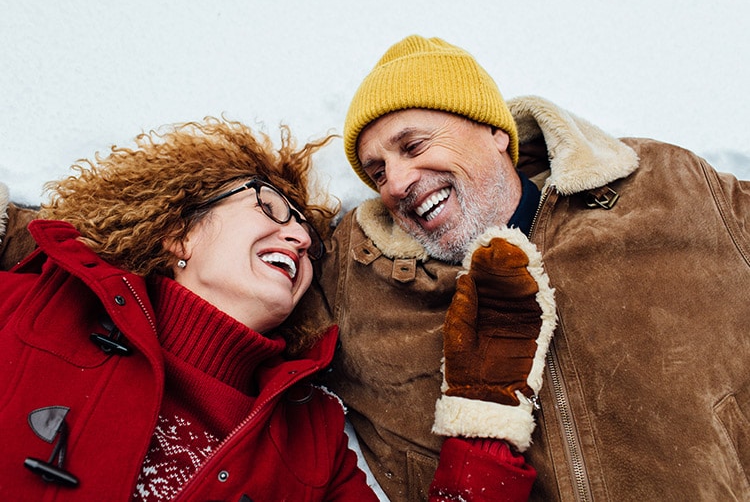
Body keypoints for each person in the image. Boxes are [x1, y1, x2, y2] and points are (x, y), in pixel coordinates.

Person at [300, 35, 750, 501]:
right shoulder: (354, 280)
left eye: (413, 146)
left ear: (496, 131)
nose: (395, 183)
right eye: (377, 172)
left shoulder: (666, 186)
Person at [0, 118, 382, 501]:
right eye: (269, 207)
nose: (300, 239)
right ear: (179, 235)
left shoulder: (316, 439)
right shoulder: (32, 307)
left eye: (310, 241)